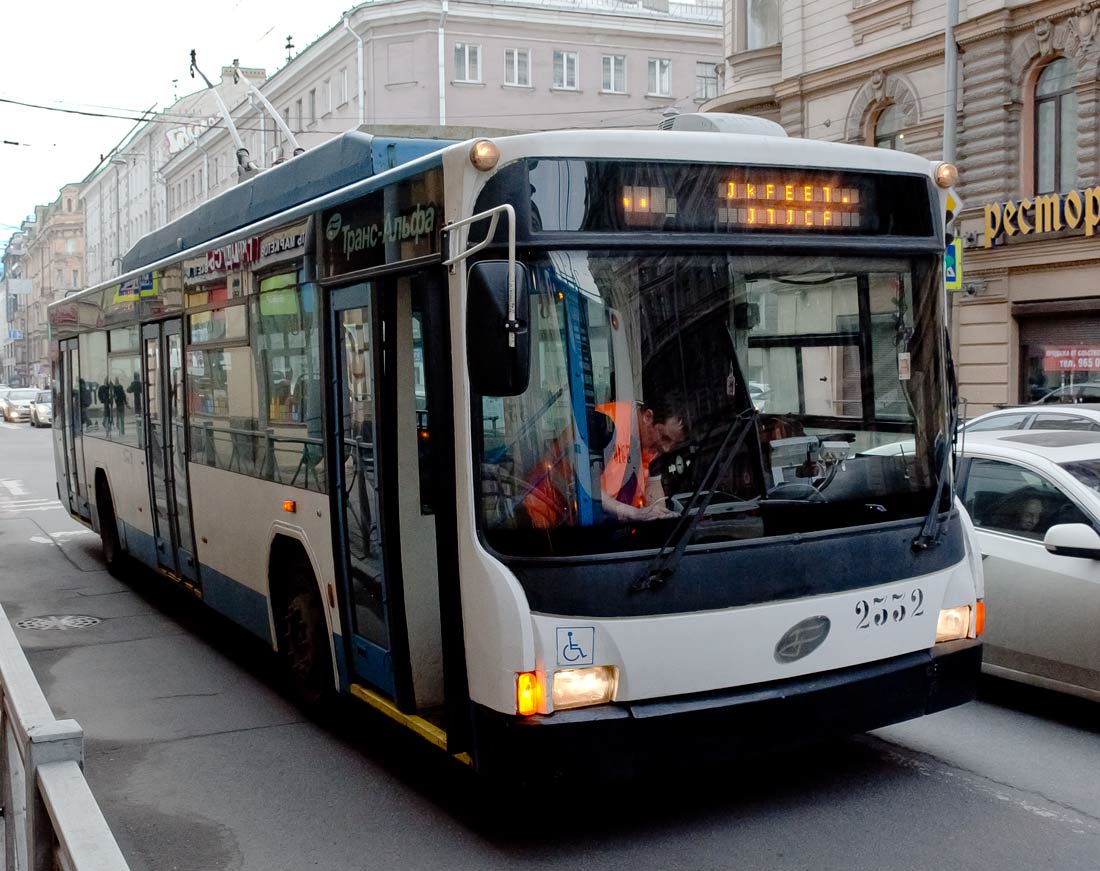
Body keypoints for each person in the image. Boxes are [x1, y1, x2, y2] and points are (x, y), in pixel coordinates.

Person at [523, 398, 685, 528]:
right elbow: (586, 489)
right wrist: (635, 514)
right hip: (544, 515)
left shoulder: (649, 443)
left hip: (580, 518)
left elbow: (653, 486)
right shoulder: (602, 424)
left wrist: (661, 519)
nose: (666, 448)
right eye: (664, 437)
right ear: (648, 417)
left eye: (673, 443)